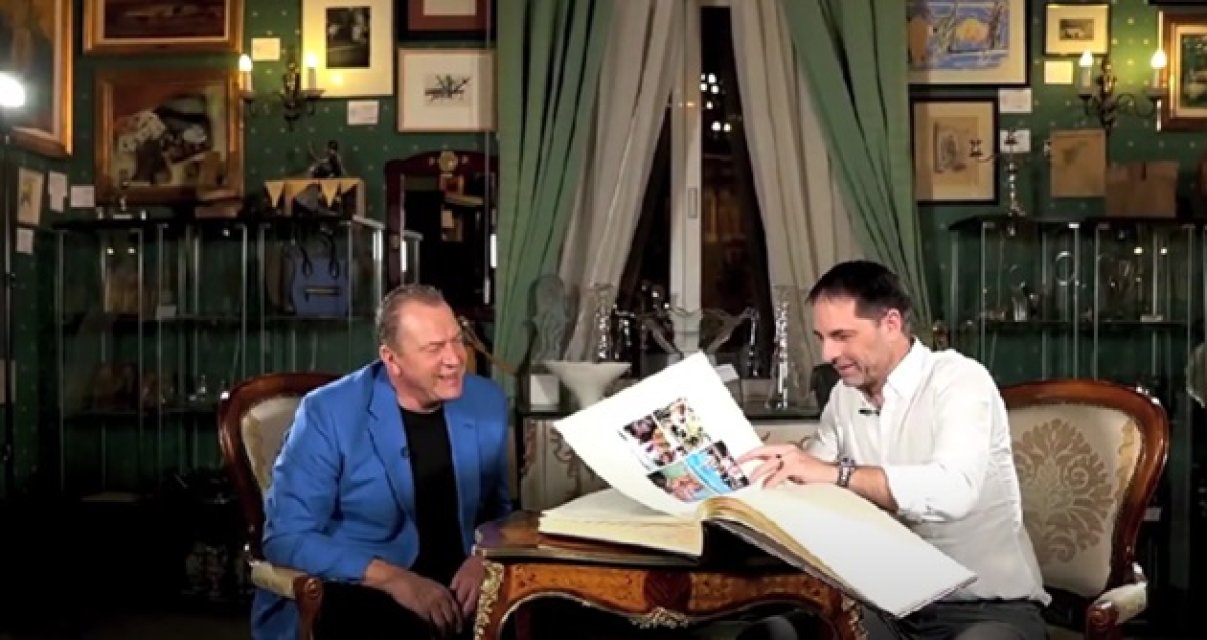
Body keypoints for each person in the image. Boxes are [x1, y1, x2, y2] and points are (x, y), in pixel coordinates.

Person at [735, 260, 1049, 640]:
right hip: (885, 610)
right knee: (773, 635)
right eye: (822, 338)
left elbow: (954, 492)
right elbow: (811, 489)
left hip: (985, 609)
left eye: (842, 336)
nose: (828, 354)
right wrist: (750, 486)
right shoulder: (844, 397)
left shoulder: (960, 380)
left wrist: (836, 474)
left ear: (891, 324)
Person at [251, 284, 512, 640]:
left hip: (459, 579)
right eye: (434, 348)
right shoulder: (328, 413)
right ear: (392, 360)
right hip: (361, 585)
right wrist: (396, 580)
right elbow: (286, 537)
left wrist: (485, 557)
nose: (455, 358)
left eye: (456, 340)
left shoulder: (487, 401)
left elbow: (499, 511)